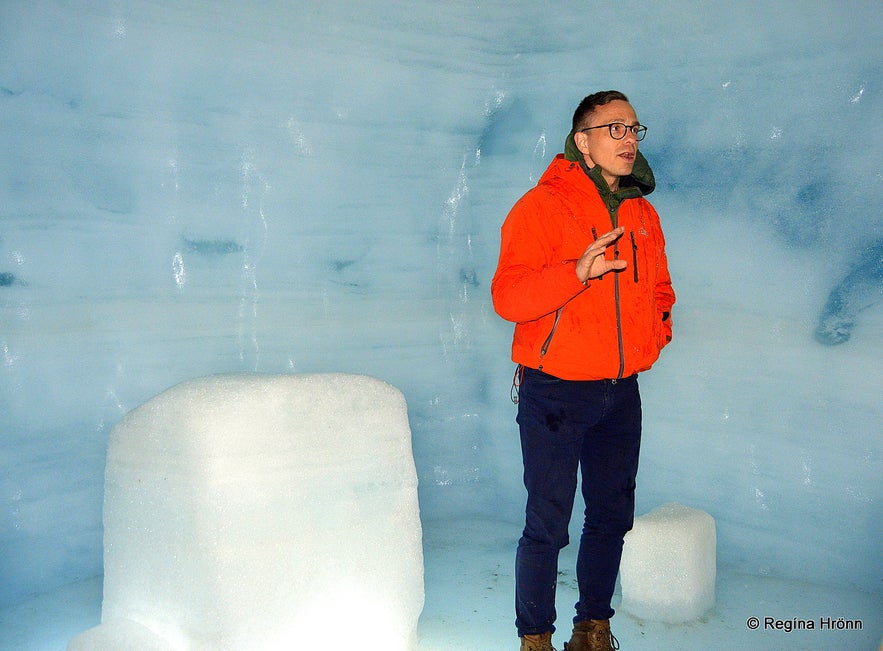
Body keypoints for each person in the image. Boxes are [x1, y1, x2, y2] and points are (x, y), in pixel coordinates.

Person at [491, 90, 675, 651]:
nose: (627, 139)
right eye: (613, 128)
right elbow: (508, 297)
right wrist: (575, 272)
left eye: (633, 129)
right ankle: (535, 637)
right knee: (547, 521)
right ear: (583, 142)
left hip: (621, 393)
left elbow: (661, 290)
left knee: (612, 514)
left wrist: (656, 334)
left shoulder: (643, 213)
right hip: (555, 391)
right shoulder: (541, 206)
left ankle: (593, 627)